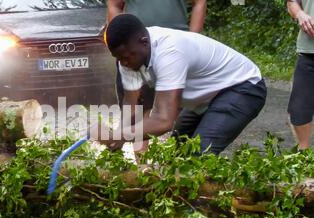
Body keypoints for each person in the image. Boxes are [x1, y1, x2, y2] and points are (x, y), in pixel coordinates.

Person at [95, 14, 267, 155]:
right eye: (118, 58)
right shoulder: (126, 59)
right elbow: (131, 105)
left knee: (199, 154)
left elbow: (163, 120)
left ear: (144, 42)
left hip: (242, 87)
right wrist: (115, 142)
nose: (124, 63)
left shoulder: (169, 52)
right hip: (205, 98)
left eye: (127, 56)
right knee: (177, 152)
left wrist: (121, 135)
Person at [107, 0, 206, 152]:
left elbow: (199, 2)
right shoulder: (127, 60)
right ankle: (143, 166)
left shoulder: (175, 50)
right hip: (134, 50)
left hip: (173, 49)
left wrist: (193, 40)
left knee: (170, 111)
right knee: (139, 108)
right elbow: (114, 5)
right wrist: (121, 44)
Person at [287, 0, 314, 150]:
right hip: (308, 51)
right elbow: (292, 2)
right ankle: (303, 155)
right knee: (299, 110)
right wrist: (300, 14)